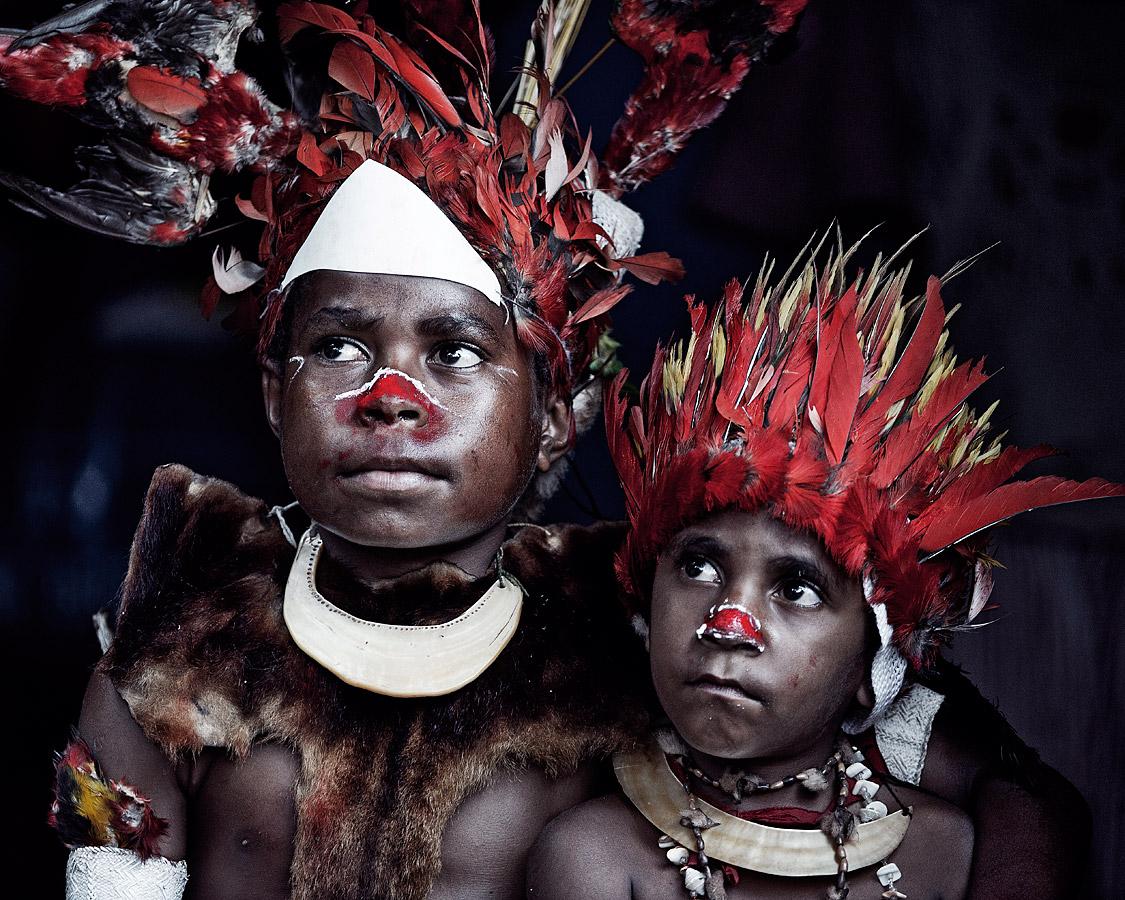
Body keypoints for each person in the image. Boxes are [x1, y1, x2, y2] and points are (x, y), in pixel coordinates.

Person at [9, 2, 808, 898]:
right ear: (276, 396)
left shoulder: (636, 660)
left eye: (456, 353)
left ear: (552, 413)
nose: (390, 399)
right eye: (341, 349)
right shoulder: (167, 666)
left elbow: (918, 764)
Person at [528, 245, 1123, 899]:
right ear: (642, 606)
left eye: (797, 588)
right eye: (698, 565)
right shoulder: (591, 859)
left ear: (874, 676)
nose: (730, 622)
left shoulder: (948, 854)